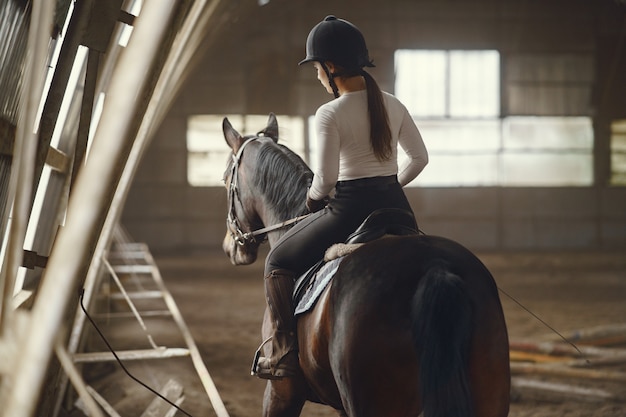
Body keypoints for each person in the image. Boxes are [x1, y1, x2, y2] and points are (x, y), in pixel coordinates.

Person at [253, 15, 429, 380]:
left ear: (331, 67)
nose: (317, 76)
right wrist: (391, 184)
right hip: (398, 209)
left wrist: (313, 201)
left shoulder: (329, 113)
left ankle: (284, 350)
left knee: (276, 260)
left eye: (317, 68)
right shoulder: (392, 103)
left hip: (349, 210)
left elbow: (326, 180)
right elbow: (420, 158)